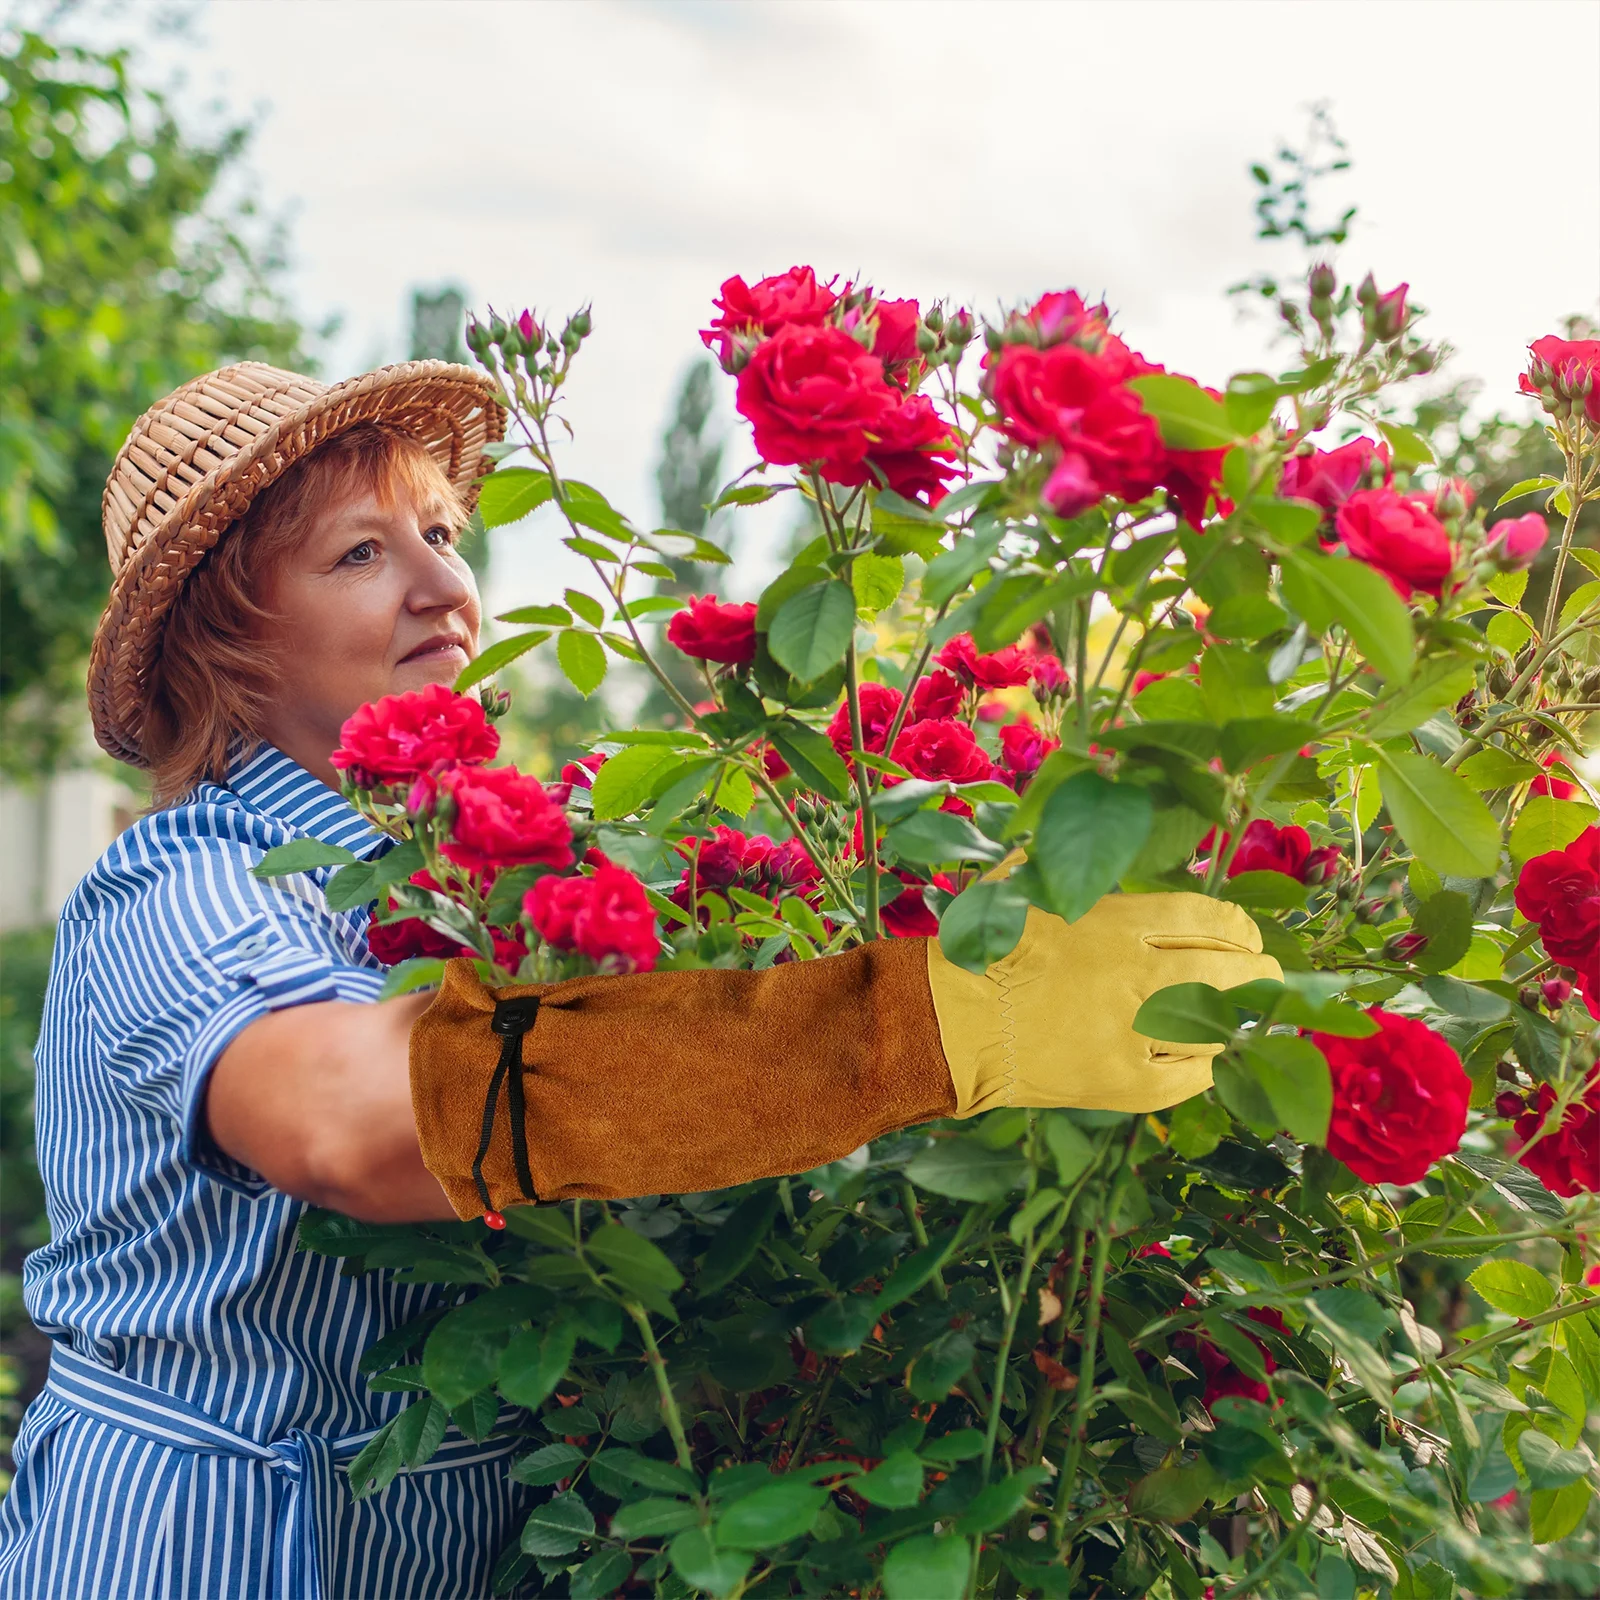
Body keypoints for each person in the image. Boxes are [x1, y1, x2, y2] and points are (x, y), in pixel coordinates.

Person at [0, 360, 1276, 1599]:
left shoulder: (443, 889)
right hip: (209, 1544)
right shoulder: (184, 888)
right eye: (360, 553)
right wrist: (923, 1022)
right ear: (225, 640)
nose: (448, 585)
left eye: (443, 533)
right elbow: (356, 1124)